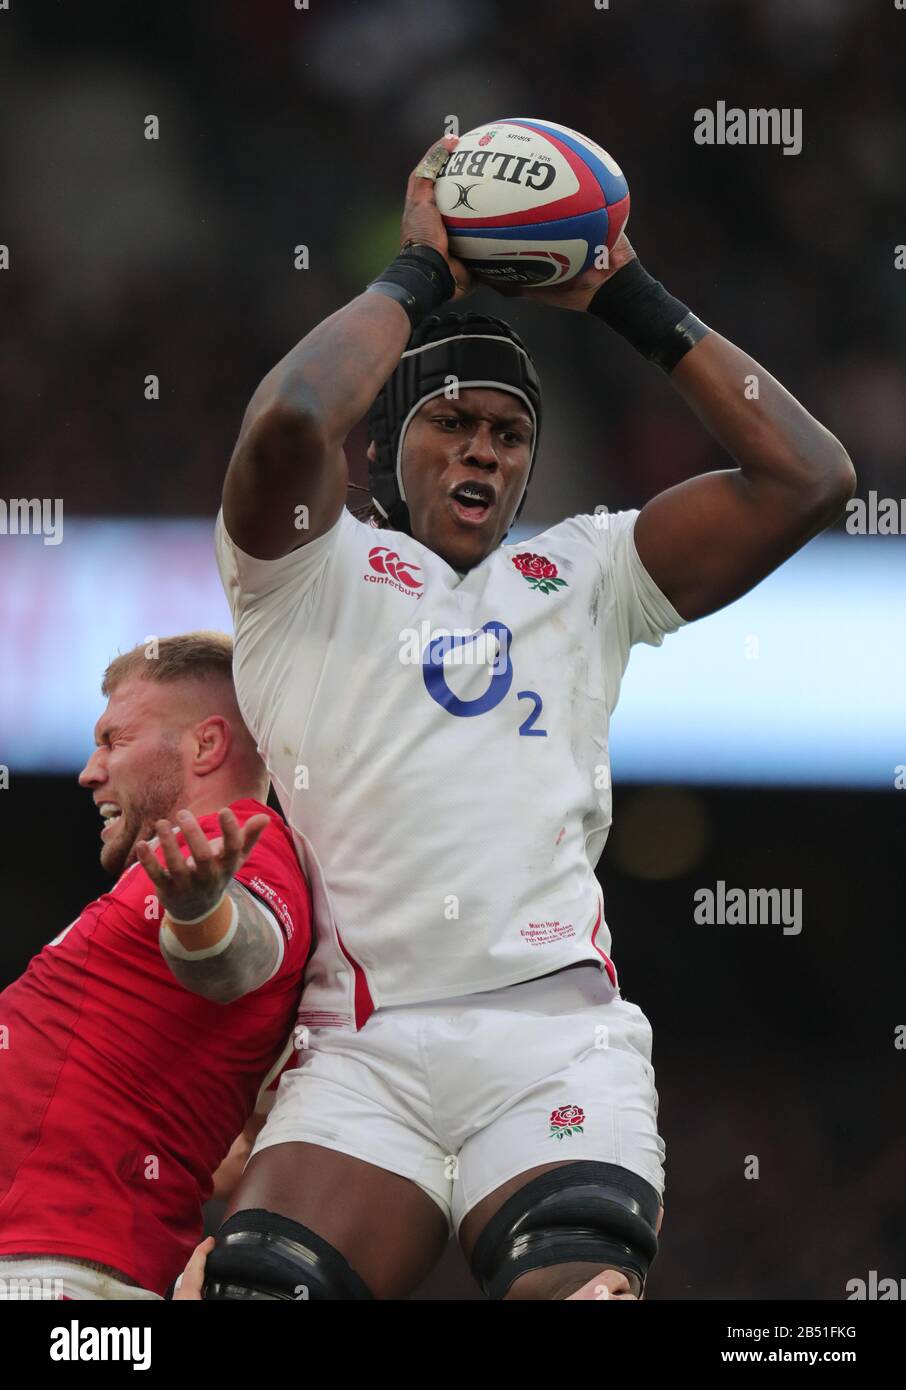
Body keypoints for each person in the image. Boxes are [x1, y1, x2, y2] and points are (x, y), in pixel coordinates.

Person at [207, 134, 855, 1302]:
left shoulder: (588, 571)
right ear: (383, 449)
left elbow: (809, 479)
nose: (483, 452)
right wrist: (417, 275)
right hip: (360, 1048)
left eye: (509, 436)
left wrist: (626, 296)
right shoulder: (304, 570)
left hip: (553, 1037)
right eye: (452, 420)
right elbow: (292, 416)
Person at [0, 633, 312, 1299]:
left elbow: (239, 958)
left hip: (58, 1269)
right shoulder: (156, 880)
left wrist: (201, 913)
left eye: (114, 740)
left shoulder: (250, 849)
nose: (89, 771)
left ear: (206, 744)